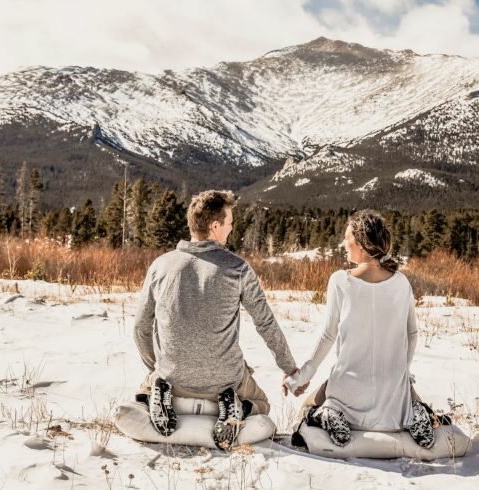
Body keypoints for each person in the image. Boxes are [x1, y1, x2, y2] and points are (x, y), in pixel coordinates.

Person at [133, 190, 298, 448]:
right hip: (225, 381)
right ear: (214, 226)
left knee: (146, 388)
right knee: (262, 404)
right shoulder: (237, 268)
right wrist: (289, 367)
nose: (231, 229)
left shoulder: (160, 266)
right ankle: (236, 406)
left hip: (172, 376)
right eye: (229, 224)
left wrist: (156, 367)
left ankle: (160, 391)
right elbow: (265, 322)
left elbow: (141, 327)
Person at [283, 209, 434, 448]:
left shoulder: (341, 281)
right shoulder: (401, 282)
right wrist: (401, 374)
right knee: (408, 399)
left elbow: (327, 335)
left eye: (347, 238)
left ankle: (330, 412)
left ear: (362, 244)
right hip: (393, 399)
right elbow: (412, 335)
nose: (343, 243)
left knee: (306, 410)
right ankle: (413, 414)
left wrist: (300, 378)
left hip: (349, 389)